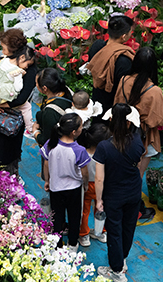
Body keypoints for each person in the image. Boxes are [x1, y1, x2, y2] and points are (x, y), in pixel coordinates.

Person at [95, 103, 146, 282]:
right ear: (129, 122)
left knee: (114, 231)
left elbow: (99, 178)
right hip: (133, 191)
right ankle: (122, 259)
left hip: (113, 195)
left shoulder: (104, 147)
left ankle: (116, 271)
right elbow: (138, 163)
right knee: (129, 227)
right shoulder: (137, 140)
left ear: (111, 119)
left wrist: (98, 200)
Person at [113, 46, 163, 221]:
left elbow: (117, 104)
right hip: (144, 138)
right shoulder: (155, 91)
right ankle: (135, 210)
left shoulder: (123, 80)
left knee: (122, 171)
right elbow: (157, 121)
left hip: (122, 132)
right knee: (137, 175)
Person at [0, 45, 36, 177]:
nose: (3, 52)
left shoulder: (27, 71)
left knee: (7, 152)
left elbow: (20, 100)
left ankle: (10, 179)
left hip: (11, 120)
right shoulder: (6, 62)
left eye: (4, 47)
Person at [41, 113, 90, 251]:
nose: (82, 128)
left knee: (57, 217)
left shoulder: (51, 143)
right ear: (74, 132)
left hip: (55, 187)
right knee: (74, 217)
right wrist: (86, 184)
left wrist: (47, 180)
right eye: (81, 126)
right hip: (74, 189)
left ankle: (57, 244)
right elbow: (85, 172)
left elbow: (46, 164)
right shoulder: (79, 150)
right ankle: (73, 244)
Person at [87, 15, 135, 112]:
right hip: (113, 106)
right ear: (124, 36)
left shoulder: (97, 47)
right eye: (130, 32)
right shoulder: (124, 60)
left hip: (97, 100)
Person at [77, 120, 112, 247]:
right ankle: (101, 232)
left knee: (84, 211)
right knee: (100, 209)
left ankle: (84, 235)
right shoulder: (106, 155)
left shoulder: (83, 153)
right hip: (101, 186)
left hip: (87, 185)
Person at [33, 68, 73, 149]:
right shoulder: (66, 91)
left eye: (36, 83)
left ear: (44, 88)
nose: (36, 85)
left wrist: (35, 132)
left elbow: (47, 142)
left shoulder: (50, 112)